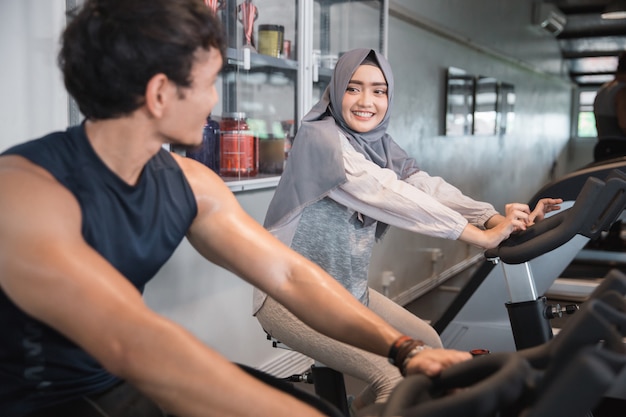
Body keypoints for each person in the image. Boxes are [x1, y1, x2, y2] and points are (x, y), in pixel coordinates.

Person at [0, 2, 476, 417]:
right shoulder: (24, 192)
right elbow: (133, 341)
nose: (214, 99)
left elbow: (289, 275)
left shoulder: (189, 184)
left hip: (118, 382)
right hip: (38, 403)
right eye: (210, 83)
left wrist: (403, 348)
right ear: (160, 93)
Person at [253, 48, 562, 412]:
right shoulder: (320, 139)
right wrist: (475, 235)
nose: (366, 101)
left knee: (428, 344)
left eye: (378, 90)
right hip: (290, 296)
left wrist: (491, 219)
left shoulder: (379, 145)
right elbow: (389, 194)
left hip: (345, 292)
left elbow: (425, 186)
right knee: (394, 378)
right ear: (336, 91)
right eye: (353, 88)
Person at [594, 51, 626, 140]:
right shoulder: (622, 91)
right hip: (620, 149)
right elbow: (624, 124)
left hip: (606, 149)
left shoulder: (605, 88)